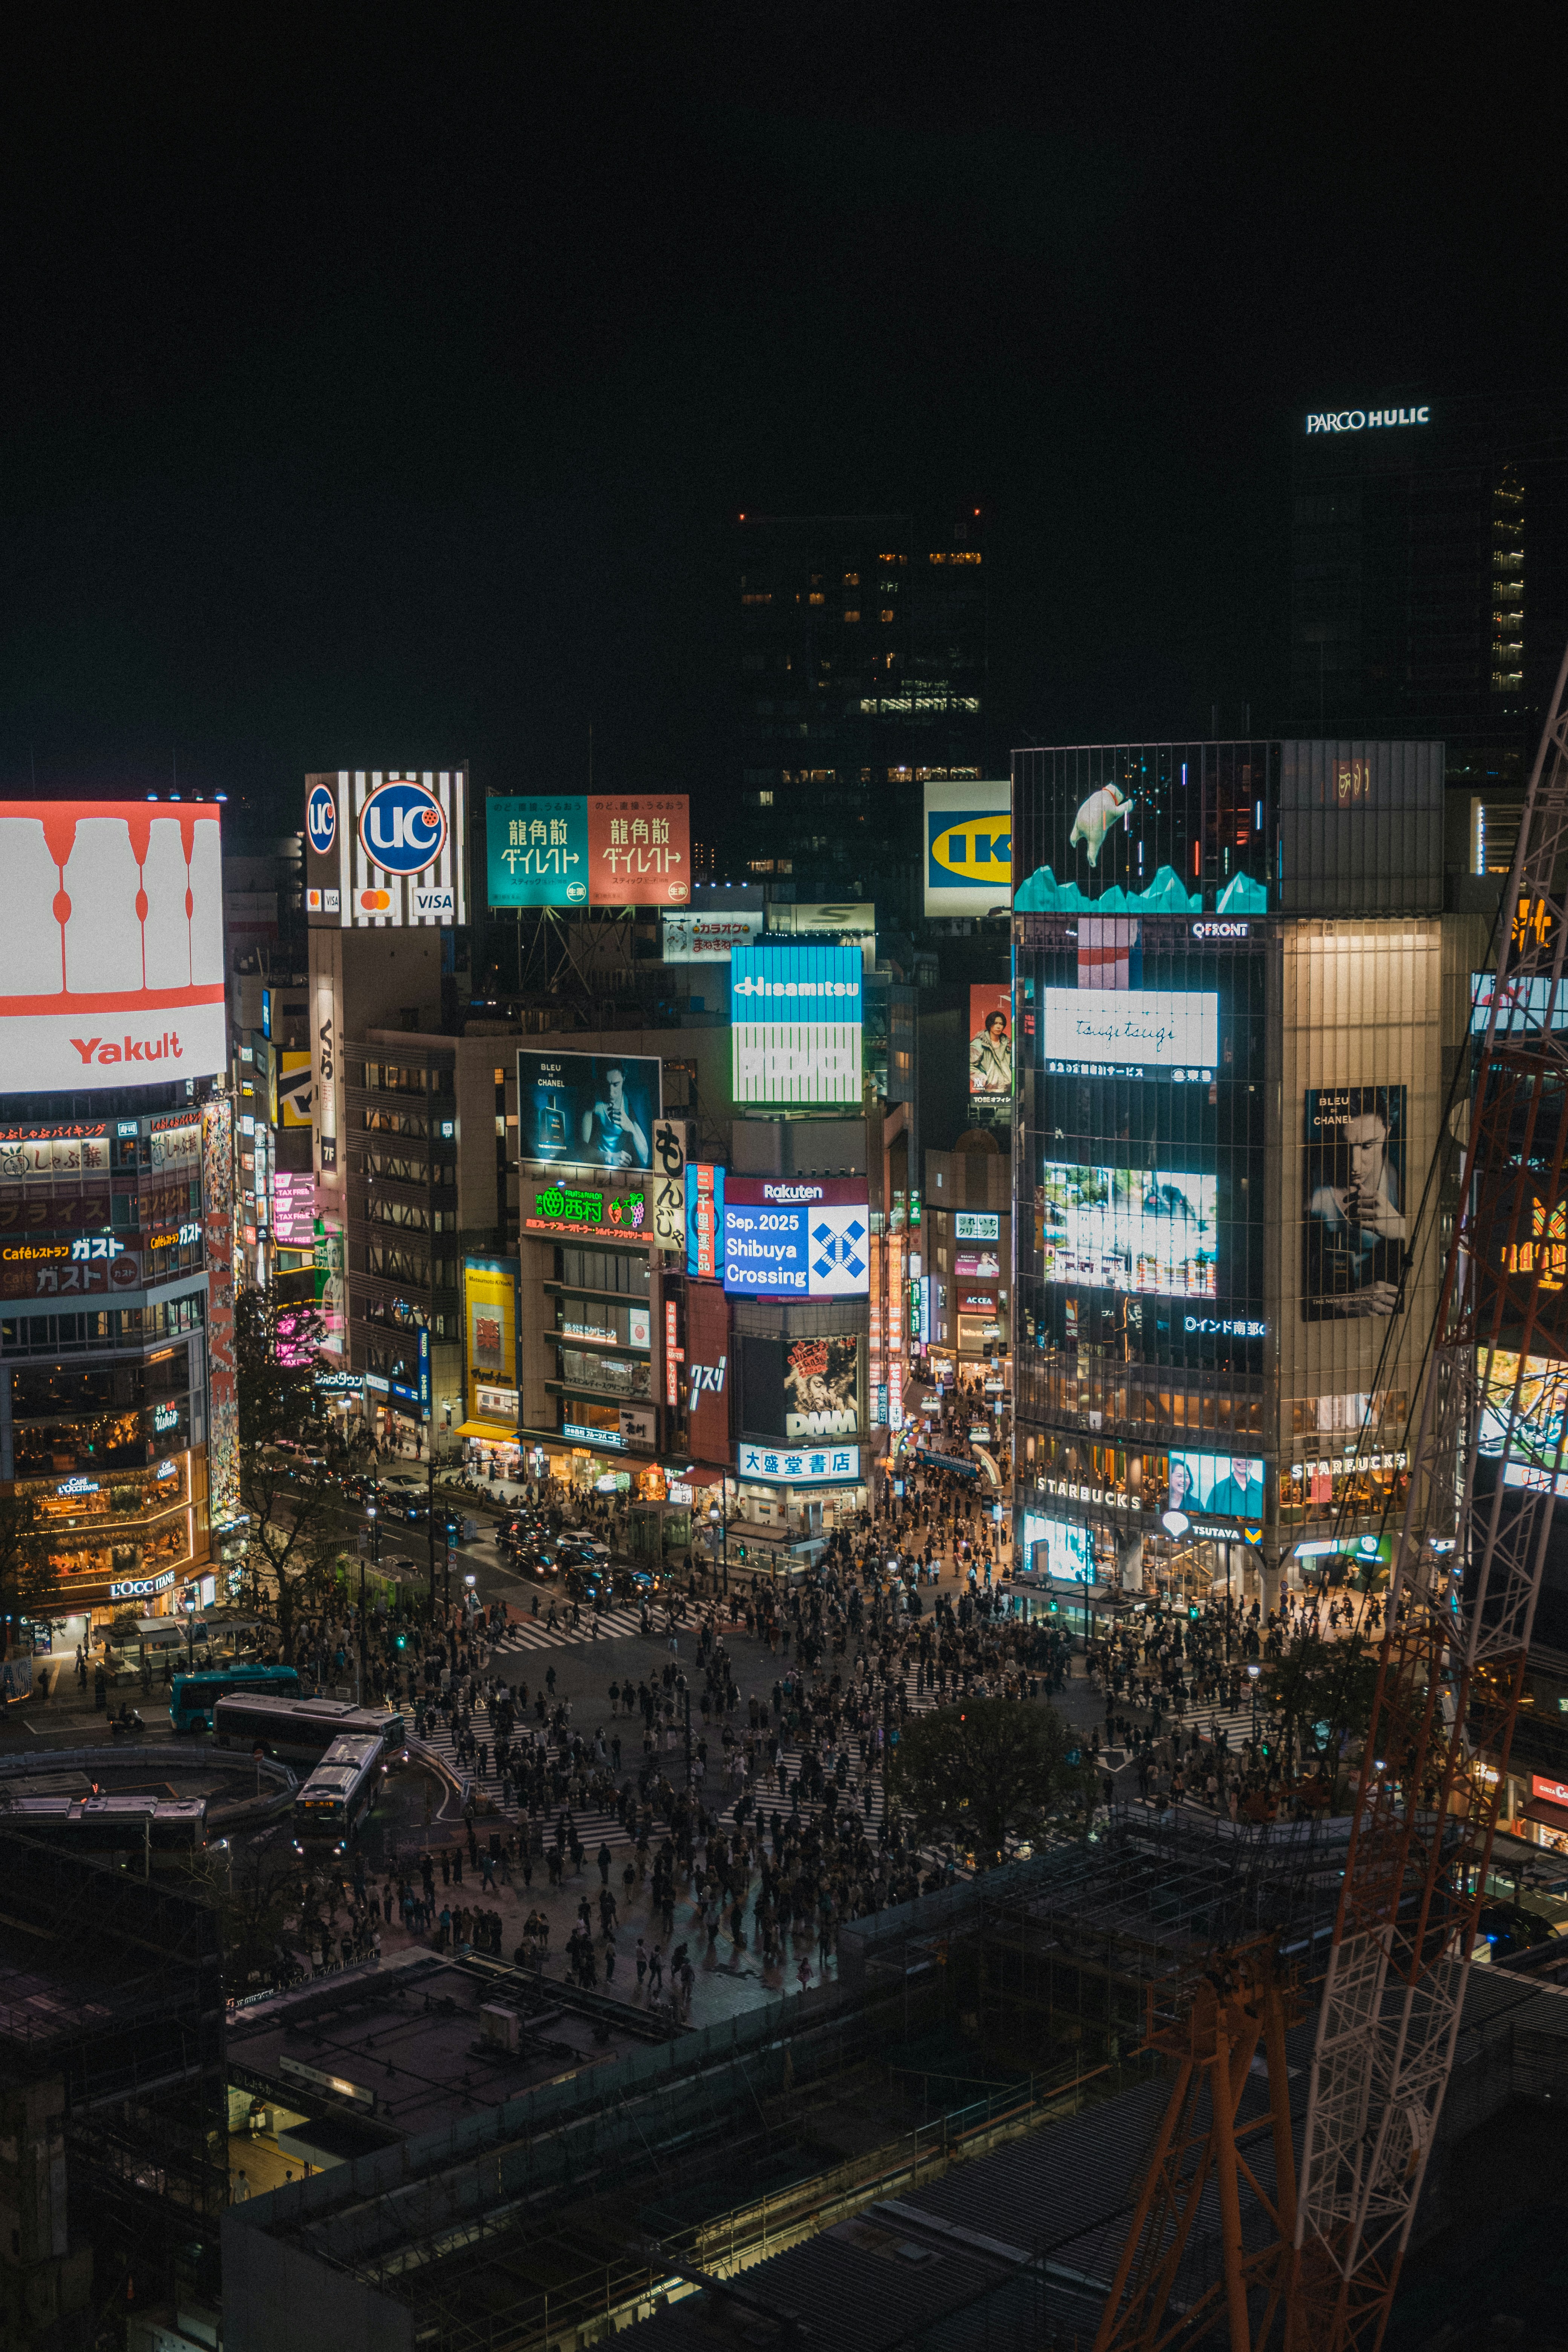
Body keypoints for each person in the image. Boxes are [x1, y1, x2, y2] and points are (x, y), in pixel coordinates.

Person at [1306, 1086, 1406, 1318]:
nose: (1354, 1165)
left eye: (1368, 1146)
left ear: (1388, 1131)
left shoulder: (1403, 1181)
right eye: (1344, 1145)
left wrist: (1400, 1227)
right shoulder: (1309, 1186)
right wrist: (1349, 1303)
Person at [581, 1061, 649, 1168]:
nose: (611, 1092)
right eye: (607, 1085)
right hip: (600, 1165)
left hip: (624, 1167)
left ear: (624, 1079)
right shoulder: (594, 1103)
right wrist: (609, 1158)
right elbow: (583, 1150)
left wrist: (630, 1127)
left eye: (616, 1085)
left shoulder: (631, 1103)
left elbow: (645, 1158)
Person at [968, 1007, 1012, 1098]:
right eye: (995, 1023)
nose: (999, 1027)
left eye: (1001, 1024)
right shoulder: (979, 1044)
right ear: (990, 1024)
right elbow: (969, 1066)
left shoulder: (1007, 1044)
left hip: (1008, 1091)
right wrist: (984, 1079)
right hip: (988, 1092)